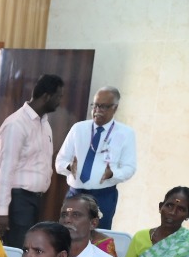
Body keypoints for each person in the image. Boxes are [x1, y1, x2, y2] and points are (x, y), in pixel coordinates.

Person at [0, 74, 64, 242]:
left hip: (36, 199)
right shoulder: (16, 124)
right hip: (18, 200)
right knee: (17, 248)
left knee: (30, 248)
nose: (60, 101)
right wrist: (2, 211)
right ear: (46, 96)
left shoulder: (44, 123)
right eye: (58, 96)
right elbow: (5, 169)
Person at [55, 86, 137, 228]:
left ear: (115, 108)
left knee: (98, 237)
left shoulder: (125, 133)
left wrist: (113, 174)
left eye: (103, 107)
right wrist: (69, 167)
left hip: (103, 196)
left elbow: (129, 168)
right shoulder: (78, 128)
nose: (97, 110)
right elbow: (60, 161)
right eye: (95, 105)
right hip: (75, 194)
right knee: (67, 234)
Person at [122, 186, 189, 257]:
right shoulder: (140, 237)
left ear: (188, 215)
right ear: (160, 206)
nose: (172, 212)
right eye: (169, 205)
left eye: (181, 209)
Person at [59, 193, 127, 257]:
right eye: (64, 215)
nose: (67, 220)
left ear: (93, 223)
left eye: (76, 215)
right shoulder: (46, 256)